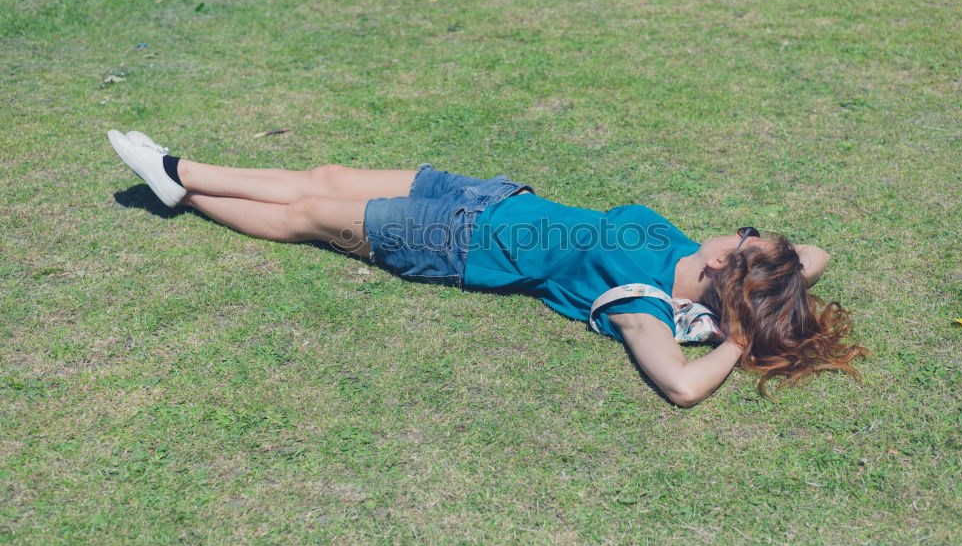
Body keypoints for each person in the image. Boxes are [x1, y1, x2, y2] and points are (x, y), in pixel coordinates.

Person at [107, 130, 869, 407]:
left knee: (306, 212)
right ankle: (179, 178)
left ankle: (179, 174)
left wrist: (738, 337)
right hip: (489, 199)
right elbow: (815, 256)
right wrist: (768, 288)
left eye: (743, 239)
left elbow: (679, 385)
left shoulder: (645, 303)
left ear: (724, 271)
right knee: (327, 172)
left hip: (452, 245)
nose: (738, 228)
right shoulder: (688, 259)